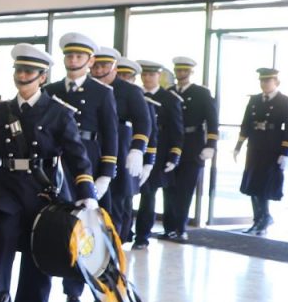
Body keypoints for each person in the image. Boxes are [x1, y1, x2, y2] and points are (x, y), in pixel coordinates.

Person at [0, 45, 98, 302]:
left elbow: (76, 155)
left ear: (42, 77)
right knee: (2, 231)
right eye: (19, 71)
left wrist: (86, 190)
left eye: (29, 72)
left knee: (38, 254)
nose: (23, 76)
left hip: (42, 189)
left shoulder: (58, 113)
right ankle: (3, 289)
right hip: (6, 185)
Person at [2, 32, 113, 302]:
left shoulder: (102, 93)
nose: (73, 60)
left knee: (67, 233)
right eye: (69, 55)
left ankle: (74, 287)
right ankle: (5, 290)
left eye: (78, 56)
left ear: (89, 60)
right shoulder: (50, 91)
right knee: (23, 234)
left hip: (74, 165)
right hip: (43, 169)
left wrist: (104, 173)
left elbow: (109, 134)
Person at [90, 46, 151, 245]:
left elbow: (144, 121)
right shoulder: (88, 89)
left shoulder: (130, 91)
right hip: (93, 148)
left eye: (104, 66)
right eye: (96, 66)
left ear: (113, 68)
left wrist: (138, 150)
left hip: (120, 149)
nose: (99, 70)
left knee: (117, 203)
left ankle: (115, 247)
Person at [162, 55, 218, 240]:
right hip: (171, 145)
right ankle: (168, 228)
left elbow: (212, 121)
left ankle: (180, 228)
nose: (181, 73)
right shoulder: (169, 92)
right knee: (169, 189)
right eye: (178, 70)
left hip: (192, 145)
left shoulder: (201, 93)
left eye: (184, 70)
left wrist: (211, 145)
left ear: (191, 72)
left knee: (185, 190)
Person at [235, 68, 288, 236]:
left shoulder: (284, 101)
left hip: (272, 147)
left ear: (276, 82)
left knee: (264, 185)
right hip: (255, 146)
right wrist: (239, 145)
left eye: (268, 81)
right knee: (252, 184)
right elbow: (246, 123)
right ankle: (259, 219)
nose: (264, 84)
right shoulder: (255, 99)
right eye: (262, 81)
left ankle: (264, 217)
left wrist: (286, 152)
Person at [132, 60, 184, 250]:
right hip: (134, 149)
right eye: (144, 74)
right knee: (127, 194)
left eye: (151, 75)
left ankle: (142, 236)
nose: (147, 78)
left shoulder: (169, 99)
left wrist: (174, 155)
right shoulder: (135, 94)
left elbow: (177, 131)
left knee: (148, 196)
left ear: (159, 76)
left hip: (157, 153)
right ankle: (125, 231)